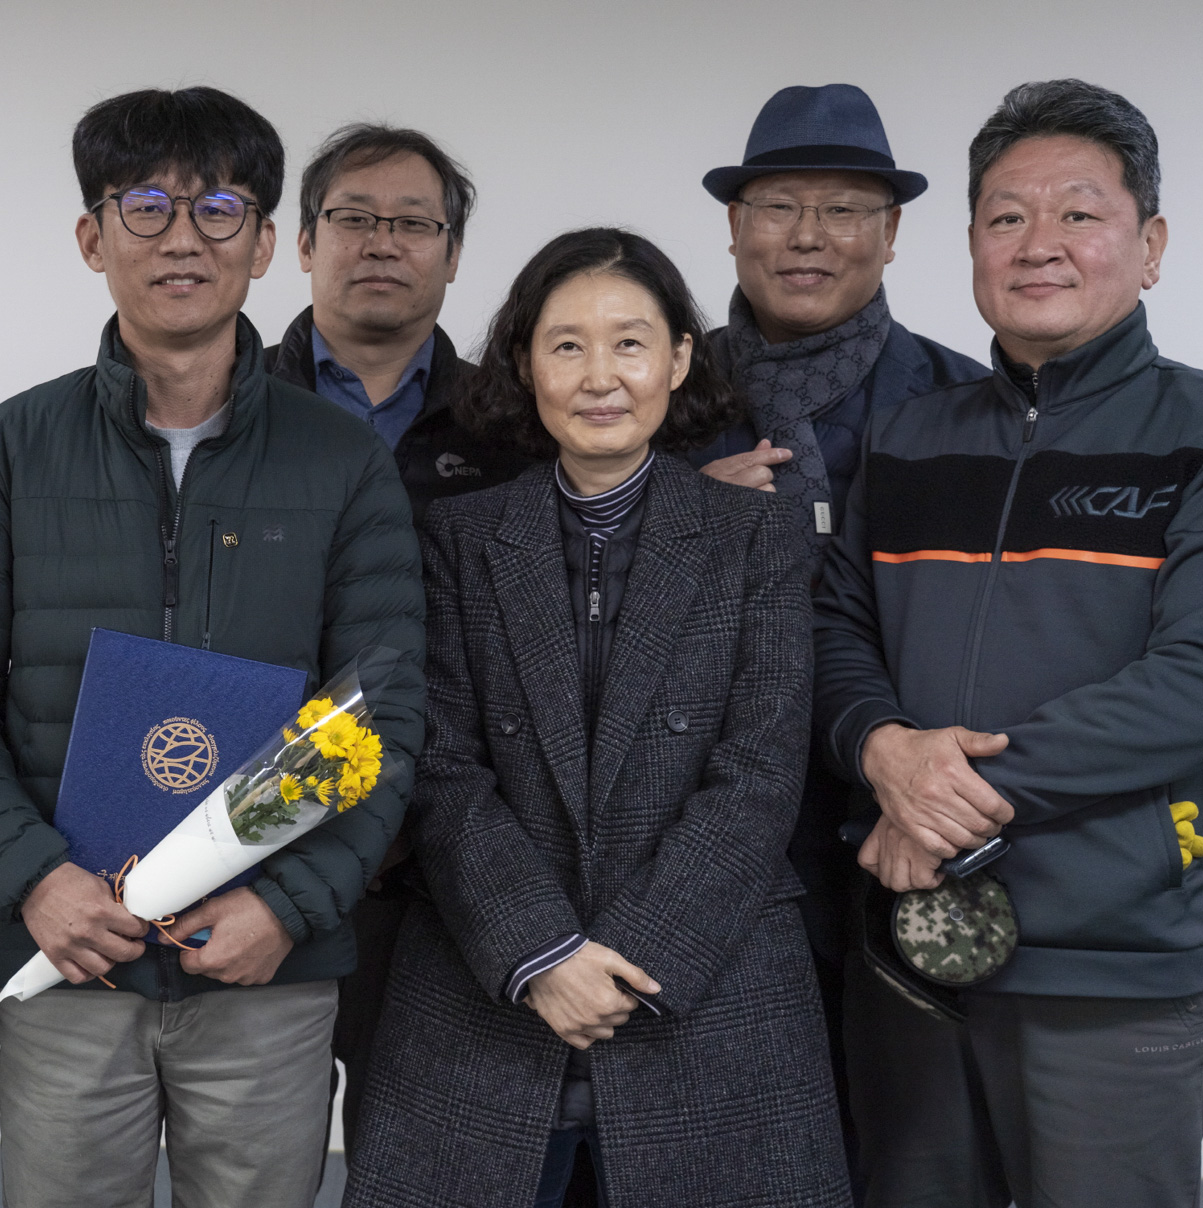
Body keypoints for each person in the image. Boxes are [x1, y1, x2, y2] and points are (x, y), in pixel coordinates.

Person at [0, 87, 426, 1208]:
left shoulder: (341, 461)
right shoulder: (9, 450)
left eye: (219, 208)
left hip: (266, 965)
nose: (184, 237)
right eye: (146, 206)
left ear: (265, 243)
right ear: (93, 237)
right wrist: (30, 878)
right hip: (71, 956)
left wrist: (290, 906)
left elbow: (380, 712)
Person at [815, 79, 1203, 1208]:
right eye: (1005, 216)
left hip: (1112, 965)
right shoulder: (908, 437)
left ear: (1151, 246)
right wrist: (882, 748)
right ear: (972, 246)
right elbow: (836, 625)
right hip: (909, 947)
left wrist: (941, 799)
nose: (1037, 244)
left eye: (1078, 213)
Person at [346, 228, 849, 1208]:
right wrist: (541, 953)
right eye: (566, 345)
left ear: (680, 358)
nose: (599, 376)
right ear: (525, 362)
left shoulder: (759, 534)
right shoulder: (457, 535)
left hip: (711, 984)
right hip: (484, 985)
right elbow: (439, 763)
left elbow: (760, 772)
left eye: (630, 342)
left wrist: (633, 955)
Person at [687, 82, 986, 1185]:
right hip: (700, 831)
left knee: (902, 1152)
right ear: (735, 225)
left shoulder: (965, 404)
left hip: (899, 831)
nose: (808, 236)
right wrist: (676, 516)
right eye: (779, 206)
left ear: (892, 232)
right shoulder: (654, 392)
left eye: (845, 209)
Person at [266, 122, 529, 1152]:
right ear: (303, 241)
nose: (382, 242)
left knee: (416, 1155)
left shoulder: (514, 427)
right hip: (258, 839)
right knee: (251, 1159)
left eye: (413, 224)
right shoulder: (234, 405)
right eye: (354, 218)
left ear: (453, 255)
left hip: (441, 861)